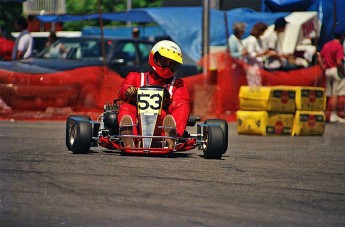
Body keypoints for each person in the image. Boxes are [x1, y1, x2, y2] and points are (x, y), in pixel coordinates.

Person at [117, 40, 190, 148]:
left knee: (182, 106)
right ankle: (130, 138)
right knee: (126, 107)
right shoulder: (137, 77)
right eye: (164, 62)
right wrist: (129, 91)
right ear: (154, 58)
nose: (167, 67)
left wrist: (168, 102)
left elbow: (180, 102)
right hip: (138, 122)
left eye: (172, 64)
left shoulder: (178, 84)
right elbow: (123, 89)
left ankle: (172, 138)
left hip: (162, 124)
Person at [318, 32, 345, 123]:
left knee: (328, 94)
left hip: (327, 70)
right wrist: (343, 72)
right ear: (342, 37)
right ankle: (333, 115)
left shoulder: (326, 45)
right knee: (336, 94)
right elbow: (339, 62)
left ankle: (326, 114)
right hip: (335, 71)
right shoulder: (339, 46)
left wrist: (323, 67)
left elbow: (319, 58)